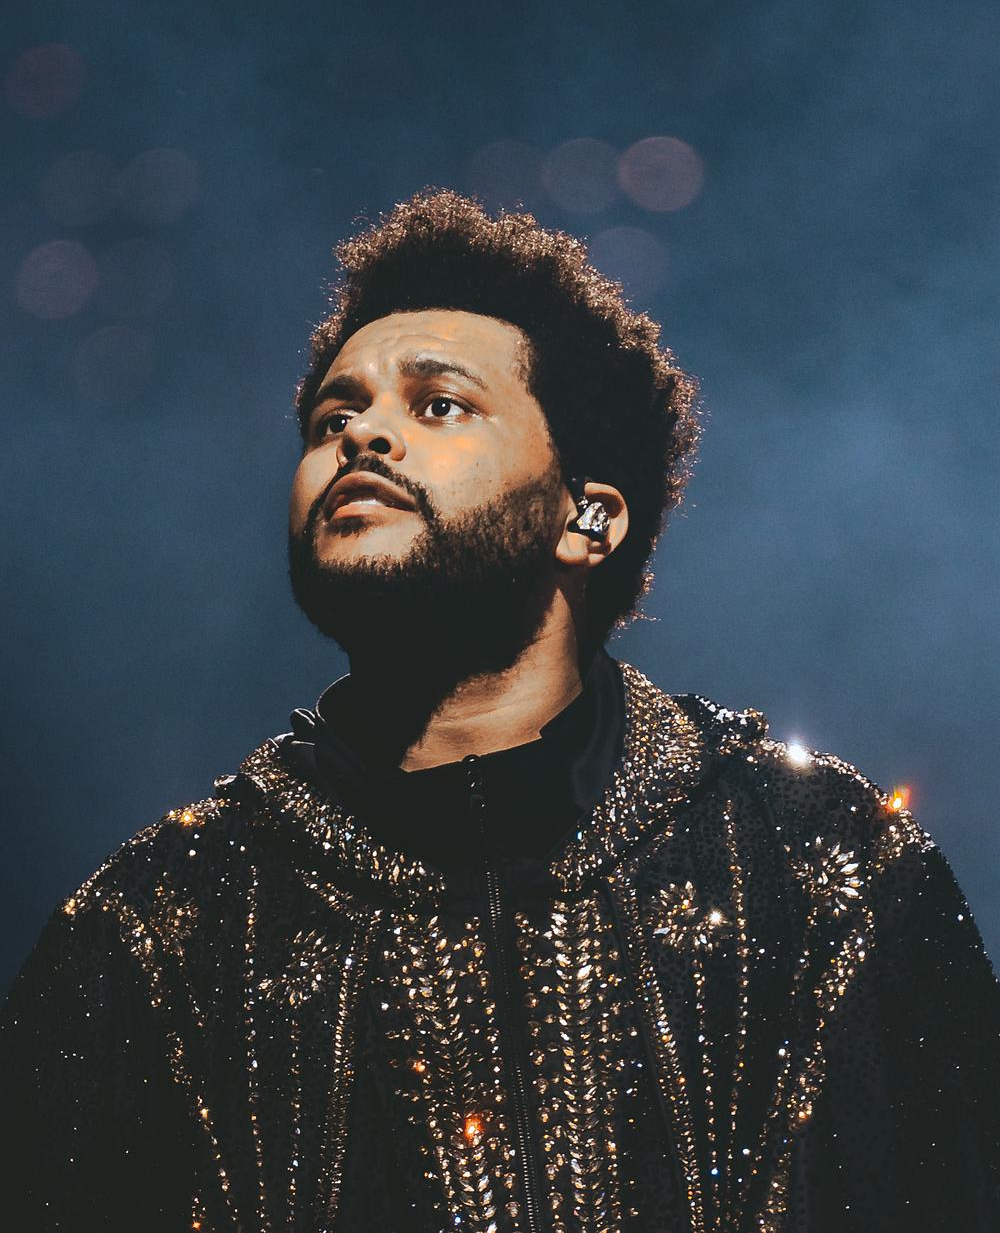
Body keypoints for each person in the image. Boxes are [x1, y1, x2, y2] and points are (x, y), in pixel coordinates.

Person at [2, 189, 999, 1233]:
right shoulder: (150, 936)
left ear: (587, 518)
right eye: (332, 420)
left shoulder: (822, 868)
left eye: (437, 405)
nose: (362, 436)